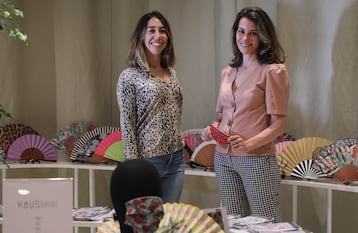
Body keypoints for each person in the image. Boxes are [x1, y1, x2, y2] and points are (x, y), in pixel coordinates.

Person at [201, 6, 289, 223]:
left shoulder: (273, 71)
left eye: (253, 32)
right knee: (233, 223)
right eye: (241, 31)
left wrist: (249, 144)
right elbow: (221, 118)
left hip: (256, 160)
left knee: (265, 224)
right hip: (222, 158)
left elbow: (279, 124)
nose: (245, 38)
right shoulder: (228, 72)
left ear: (263, 36)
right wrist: (211, 130)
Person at [116, 10, 185, 203]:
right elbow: (126, 121)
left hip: (176, 160)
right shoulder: (129, 76)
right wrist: (134, 162)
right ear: (142, 37)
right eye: (151, 30)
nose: (158, 36)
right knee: (146, 223)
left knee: (168, 221)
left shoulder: (171, 72)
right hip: (147, 161)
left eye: (162, 31)